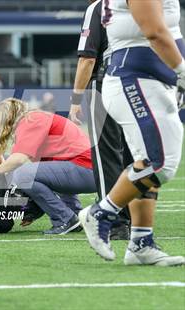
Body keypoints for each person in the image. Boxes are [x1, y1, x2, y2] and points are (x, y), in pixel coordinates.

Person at [79, 0, 185, 265]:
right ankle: (101, 213)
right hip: (136, 79)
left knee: (145, 161)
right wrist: (182, 72)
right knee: (159, 163)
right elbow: (154, 32)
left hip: (151, 80)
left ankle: (140, 242)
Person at [0, 98, 97, 234]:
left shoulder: (31, 119)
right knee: (32, 174)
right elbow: (52, 174)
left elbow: (19, 160)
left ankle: (65, 219)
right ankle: (74, 215)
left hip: (86, 169)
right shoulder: (36, 118)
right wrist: (35, 210)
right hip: (87, 170)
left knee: (22, 174)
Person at [68, 0, 132, 240]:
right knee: (132, 155)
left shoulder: (98, 7)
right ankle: (133, 216)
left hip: (105, 85)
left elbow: (87, 58)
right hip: (136, 84)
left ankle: (113, 221)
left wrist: (75, 98)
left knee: (106, 156)